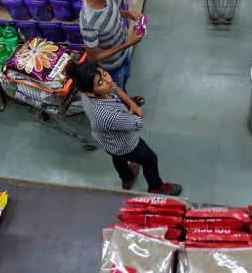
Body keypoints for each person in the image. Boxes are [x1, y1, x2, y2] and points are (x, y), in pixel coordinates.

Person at [68, 60, 182, 195]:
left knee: (118, 157)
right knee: (151, 159)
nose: (108, 80)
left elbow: (115, 87)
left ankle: (127, 179)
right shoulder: (107, 116)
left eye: (104, 74)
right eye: (100, 83)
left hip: (108, 142)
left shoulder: (88, 93)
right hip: (128, 144)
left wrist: (131, 104)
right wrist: (138, 112)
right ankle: (156, 187)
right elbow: (137, 124)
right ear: (90, 93)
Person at [79, 0, 144, 94]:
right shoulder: (89, 25)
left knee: (126, 77)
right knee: (117, 90)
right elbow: (93, 57)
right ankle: (126, 105)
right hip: (112, 66)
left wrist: (127, 14)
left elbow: (109, 12)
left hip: (124, 53)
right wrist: (128, 43)